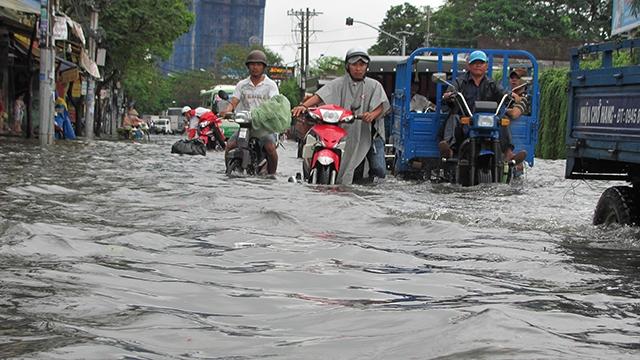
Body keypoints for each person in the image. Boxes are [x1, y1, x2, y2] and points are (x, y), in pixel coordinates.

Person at [292, 48, 390, 184]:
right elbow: (320, 96)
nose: (358, 68)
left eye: (362, 65)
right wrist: (304, 106)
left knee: (378, 169)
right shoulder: (338, 83)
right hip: (341, 131)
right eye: (354, 64)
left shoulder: (374, 85)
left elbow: (381, 104)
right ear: (347, 66)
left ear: (367, 67)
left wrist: (372, 114)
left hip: (365, 132)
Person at [438, 50, 525, 164]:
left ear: (486, 66)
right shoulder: (460, 82)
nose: (478, 65)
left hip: (488, 121)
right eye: (475, 62)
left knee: (503, 120)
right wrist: (448, 95)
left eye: (481, 62)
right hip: (466, 121)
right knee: (453, 117)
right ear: (469, 65)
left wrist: (511, 96)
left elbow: (502, 92)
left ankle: (508, 153)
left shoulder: (492, 83)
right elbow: (450, 91)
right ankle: (449, 150)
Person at [221, 50, 280, 175]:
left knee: (270, 148)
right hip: (245, 125)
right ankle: (228, 170)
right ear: (248, 66)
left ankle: (272, 174)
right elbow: (234, 102)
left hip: (264, 126)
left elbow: (275, 104)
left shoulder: (271, 85)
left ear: (263, 67)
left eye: (258, 64)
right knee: (229, 145)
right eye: (252, 64)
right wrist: (227, 111)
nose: (255, 67)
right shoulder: (242, 84)